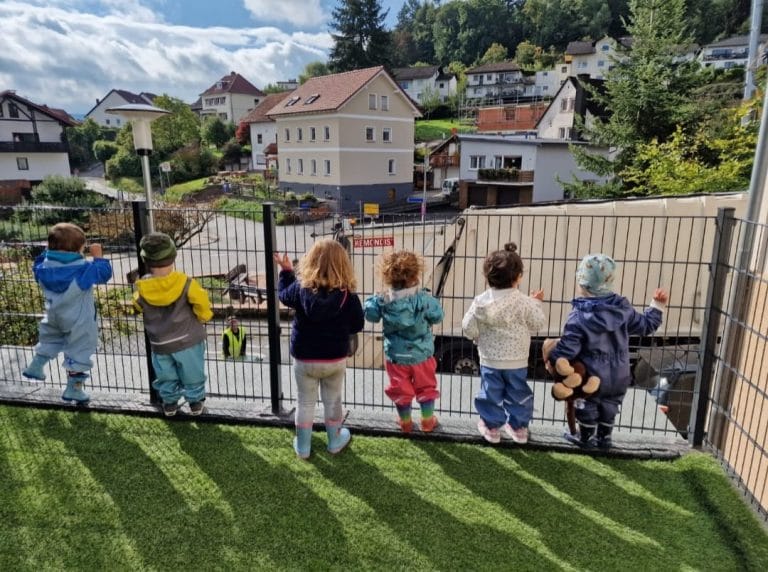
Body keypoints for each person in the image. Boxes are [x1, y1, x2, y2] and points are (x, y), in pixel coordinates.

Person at [548, 253, 669, 449]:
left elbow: (568, 349)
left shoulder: (579, 317)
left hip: (593, 375)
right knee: (610, 405)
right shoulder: (623, 310)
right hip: (620, 374)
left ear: (582, 283)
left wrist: (553, 357)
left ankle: (585, 437)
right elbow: (646, 326)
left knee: (587, 404)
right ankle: (605, 438)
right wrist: (657, 306)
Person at [274, 239, 364, 459]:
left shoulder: (300, 288)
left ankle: (303, 447)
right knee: (332, 400)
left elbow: (283, 295)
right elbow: (358, 324)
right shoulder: (348, 296)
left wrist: (286, 272)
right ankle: (335, 441)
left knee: (305, 401)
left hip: (304, 359)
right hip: (334, 359)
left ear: (310, 261)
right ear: (344, 264)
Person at [462, 243, 546, 445]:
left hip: (490, 359)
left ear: (487, 277)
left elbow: (467, 326)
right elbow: (538, 323)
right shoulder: (523, 301)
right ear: (518, 277)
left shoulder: (481, 301)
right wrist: (536, 303)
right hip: (517, 360)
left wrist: (476, 336)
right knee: (518, 393)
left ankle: (491, 428)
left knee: (490, 393)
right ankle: (518, 428)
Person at [23, 223, 112, 403]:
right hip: (78, 320)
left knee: (50, 340)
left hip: (53, 316)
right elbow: (103, 274)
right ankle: (74, 389)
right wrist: (98, 257)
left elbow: (38, 263)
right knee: (80, 351)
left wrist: (47, 253)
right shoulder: (82, 270)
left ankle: (37, 365)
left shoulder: (43, 268)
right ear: (79, 249)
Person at [133, 232, 213, 417]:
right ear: (173, 255)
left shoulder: (142, 288)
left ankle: (169, 403)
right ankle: (195, 403)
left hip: (160, 343)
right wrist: (203, 317)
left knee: (166, 374)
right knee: (193, 372)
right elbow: (202, 303)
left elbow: (136, 305)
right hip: (188, 340)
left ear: (145, 259)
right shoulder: (186, 282)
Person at [364, 250, 444, 433]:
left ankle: (405, 423)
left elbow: (371, 315)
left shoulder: (383, 300)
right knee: (426, 387)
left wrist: (375, 299)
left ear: (387, 275)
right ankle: (427, 421)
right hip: (422, 354)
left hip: (396, 356)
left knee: (400, 390)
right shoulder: (424, 299)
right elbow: (438, 316)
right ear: (416, 274)